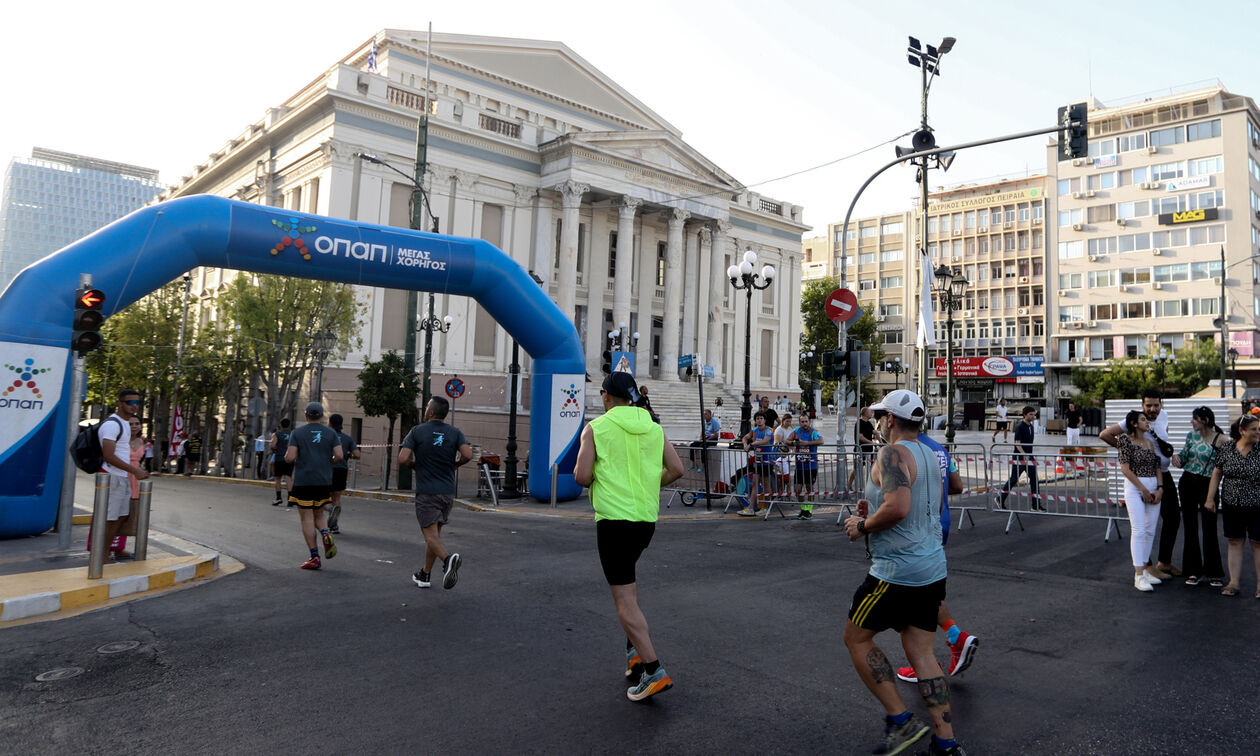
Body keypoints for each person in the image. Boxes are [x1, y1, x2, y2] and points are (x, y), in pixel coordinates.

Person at [841, 389, 964, 756]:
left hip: (896, 572)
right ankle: (946, 741)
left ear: (890, 420)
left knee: (856, 639)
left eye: (881, 416)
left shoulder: (892, 452)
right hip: (931, 568)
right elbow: (918, 498)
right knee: (922, 653)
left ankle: (901, 720)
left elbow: (898, 507)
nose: (879, 422)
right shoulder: (931, 452)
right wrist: (872, 506)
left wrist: (862, 526)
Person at [574, 370, 685, 702]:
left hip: (613, 521)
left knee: (624, 598)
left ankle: (653, 670)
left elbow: (580, 476)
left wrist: (601, 475)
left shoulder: (596, 428)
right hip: (645, 521)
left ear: (606, 396)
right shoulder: (653, 427)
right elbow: (677, 469)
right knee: (629, 590)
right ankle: (635, 655)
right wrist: (651, 484)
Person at [896, 425, 977, 684]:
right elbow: (957, 485)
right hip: (940, 523)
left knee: (909, 591)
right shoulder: (940, 449)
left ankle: (925, 662)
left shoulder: (908, 450)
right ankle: (955, 637)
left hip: (918, 526)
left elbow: (898, 498)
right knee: (924, 590)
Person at [1100, 389, 1180, 576]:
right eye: (1148, 405)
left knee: (1173, 518)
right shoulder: (1136, 421)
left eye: (1156, 405)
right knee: (1144, 525)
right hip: (1143, 476)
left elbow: (1162, 442)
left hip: (1163, 474)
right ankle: (1146, 566)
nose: (1152, 409)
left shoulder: (1164, 416)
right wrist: (1129, 451)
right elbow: (1105, 434)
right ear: (1142, 406)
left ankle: (1164, 562)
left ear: (1162, 405)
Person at [399, 396, 473, 590]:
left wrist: (414, 465)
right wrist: (455, 465)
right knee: (435, 536)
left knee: (430, 536)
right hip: (447, 493)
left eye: (426, 407)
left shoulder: (417, 431)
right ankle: (424, 574)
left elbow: (402, 458)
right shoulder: (455, 432)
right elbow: (468, 455)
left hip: (427, 492)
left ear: (431, 412)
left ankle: (448, 560)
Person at [1171, 407, 1228, 588]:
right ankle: (1192, 570)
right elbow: (1185, 456)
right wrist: (1177, 458)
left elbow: (1225, 465)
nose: (1191, 422)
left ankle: (1214, 571)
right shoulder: (1191, 436)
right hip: (1188, 481)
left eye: (1194, 419)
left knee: (1210, 527)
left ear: (1204, 420)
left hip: (1208, 484)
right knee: (1190, 527)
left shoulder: (1222, 439)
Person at [1205, 414, 1260, 597]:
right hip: (1232, 504)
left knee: (1258, 544)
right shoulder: (1228, 448)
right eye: (1254, 429)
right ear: (1242, 431)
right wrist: (1210, 498)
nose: (1258, 432)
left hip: (1256, 504)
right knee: (1235, 541)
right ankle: (1233, 583)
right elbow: (1216, 473)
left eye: (1259, 429)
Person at [285, 402, 343, 570]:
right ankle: (325, 533)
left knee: (306, 517)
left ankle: (314, 557)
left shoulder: (297, 433)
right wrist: (330, 462)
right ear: (322, 415)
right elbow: (339, 455)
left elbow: (290, 458)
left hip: (304, 480)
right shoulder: (331, 433)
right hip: (323, 480)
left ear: (306, 415)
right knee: (319, 514)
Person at [1114, 410, 1165, 592]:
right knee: (1139, 529)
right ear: (1134, 423)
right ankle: (1138, 574)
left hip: (1152, 485)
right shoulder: (1125, 441)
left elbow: (1157, 467)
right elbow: (1125, 469)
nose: (1147, 422)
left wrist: (1160, 488)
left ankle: (1144, 569)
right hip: (1135, 486)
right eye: (1143, 419)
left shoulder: (1150, 443)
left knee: (1150, 530)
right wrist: (1142, 489)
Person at [98, 389, 149, 561]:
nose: (134, 406)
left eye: (137, 403)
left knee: (121, 516)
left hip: (122, 476)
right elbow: (109, 455)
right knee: (109, 517)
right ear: (120, 403)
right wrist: (135, 471)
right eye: (130, 402)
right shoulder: (112, 425)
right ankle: (100, 554)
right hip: (111, 475)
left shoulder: (125, 424)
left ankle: (105, 552)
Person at [996, 406, 1043, 511]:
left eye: (1033, 414)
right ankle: (1000, 498)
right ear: (1025, 415)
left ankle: (1035, 505)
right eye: (1031, 414)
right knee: (1013, 479)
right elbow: (1017, 443)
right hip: (1020, 458)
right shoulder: (1020, 427)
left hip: (1030, 457)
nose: (1033, 416)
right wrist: (1024, 454)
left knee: (1035, 480)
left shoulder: (1031, 426)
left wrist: (1029, 455)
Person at [327, 413, 360, 534]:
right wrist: (347, 455)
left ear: (330, 423)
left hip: (328, 469)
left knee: (326, 496)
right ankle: (335, 525)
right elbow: (357, 455)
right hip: (342, 469)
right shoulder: (348, 438)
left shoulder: (327, 436)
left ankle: (330, 510)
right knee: (337, 496)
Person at [738, 411, 775, 516]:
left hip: (767, 460)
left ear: (765, 420)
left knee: (766, 484)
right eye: (757, 418)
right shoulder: (754, 430)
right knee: (755, 483)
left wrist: (752, 444)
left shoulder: (769, 430)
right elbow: (745, 437)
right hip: (757, 461)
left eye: (761, 418)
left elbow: (765, 441)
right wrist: (745, 444)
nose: (759, 420)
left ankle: (766, 507)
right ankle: (750, 508)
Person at [789, 413, 823, 519]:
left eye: (806, 421)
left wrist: (806, 443)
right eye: (802, 422)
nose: (804, 423)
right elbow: (786, 440)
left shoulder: (812, 432)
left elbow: (821, 440)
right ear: (799, 423)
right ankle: (803, 509)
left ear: (809, 422)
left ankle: (809, 510)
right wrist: (794, 443)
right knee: (797, 489)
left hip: (811, 466)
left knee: (809, 488)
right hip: (799, 466)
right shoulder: (796, 431)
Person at [848, 406, 877, 490]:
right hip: (860, 449)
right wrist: (872, 442)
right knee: (856, 468)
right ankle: (849, 484)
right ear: (865, 413)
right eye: (869, 412)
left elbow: (874, 432)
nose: (871, 413)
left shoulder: (868, 423)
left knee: (872, 468)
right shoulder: (859, 423)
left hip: (869, 450)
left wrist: (881, 441)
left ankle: (870, 486)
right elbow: (861, 437)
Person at [271, 419, 293, 506]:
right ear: (289, 425)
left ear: (281, 425)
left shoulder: (277, 434)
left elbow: (272, 445)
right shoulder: (292, 434)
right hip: (289, 458)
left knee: (277, 479)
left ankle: (278, 498)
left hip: (279, 457)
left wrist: (274, 450)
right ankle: (290, 499)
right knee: (288, 478)